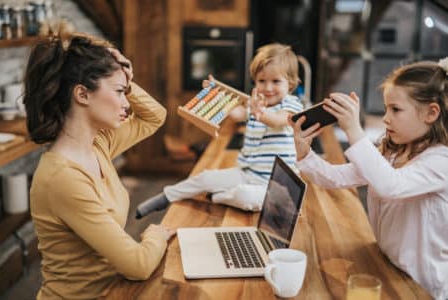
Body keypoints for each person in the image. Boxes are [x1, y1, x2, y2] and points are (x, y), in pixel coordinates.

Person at [24, 33, 175, 299]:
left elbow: (155, 117)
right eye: (119, 92)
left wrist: (125, 78)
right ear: (82, 94)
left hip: (112, 290)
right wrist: (155, 233)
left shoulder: (98, 145)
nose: (127, 102)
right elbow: (138, 265)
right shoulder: (62, 178)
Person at [289, 59, 448, 299]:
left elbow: (391, 186)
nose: (386, 118)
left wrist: (354, 129)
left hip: (423, 287)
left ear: (431, 113)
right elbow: (336, 177)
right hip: (388, 266)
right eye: (386, 109)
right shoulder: (394, 151)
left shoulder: (441, 161)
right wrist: (304, 153)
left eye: (395, 109)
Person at [138, 43, 304, 217]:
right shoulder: (257, 104)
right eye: (262, 81)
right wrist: (215, 95)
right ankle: (167, 196)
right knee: (206, 178)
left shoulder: (292, 105)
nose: (268, 88)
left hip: (277, 185)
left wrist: (257, 111)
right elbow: (236, 114)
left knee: (246, 196)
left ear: (291, 83)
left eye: (276, 81)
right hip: (247, 173)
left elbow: (277, 121)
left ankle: (218, 197)